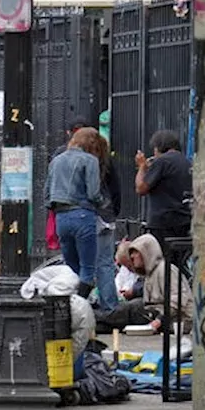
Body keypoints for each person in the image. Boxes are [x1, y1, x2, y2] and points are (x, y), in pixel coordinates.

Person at [47, 128, 105, 298]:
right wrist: (102, 203)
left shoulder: (56, 161)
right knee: (87, 269)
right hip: (82, 215)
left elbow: (46, 194)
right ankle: (80, 306)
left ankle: (68, 308)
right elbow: (93, 192)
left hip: (61, 218)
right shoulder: (90, 160)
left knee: (71, 268)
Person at [114, 233, 194, 333]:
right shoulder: (149, 273)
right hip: (160, 317)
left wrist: (159, 320)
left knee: (131, 309)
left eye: (135, 252)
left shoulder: (164, 270)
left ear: (146, 252)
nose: (132, 256)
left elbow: (178, 298)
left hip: (178, 321)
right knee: (119, 316)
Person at [78, 127, 121, 310]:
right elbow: (116, 190)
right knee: (105, 264)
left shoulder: (78, 162)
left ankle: (79, 303)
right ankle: (109, 306)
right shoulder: (105, 162)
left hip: (84, 215)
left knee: (82, 262)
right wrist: (113, 212)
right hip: (106, 217)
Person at [134, 129, 193, 257]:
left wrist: (142, 167)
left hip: (162, 222)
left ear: (158, 147)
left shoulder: (162, 161)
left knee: (160, 262)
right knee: (177, 263)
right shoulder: (186, 162)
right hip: (183, 221)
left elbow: (141, 188)